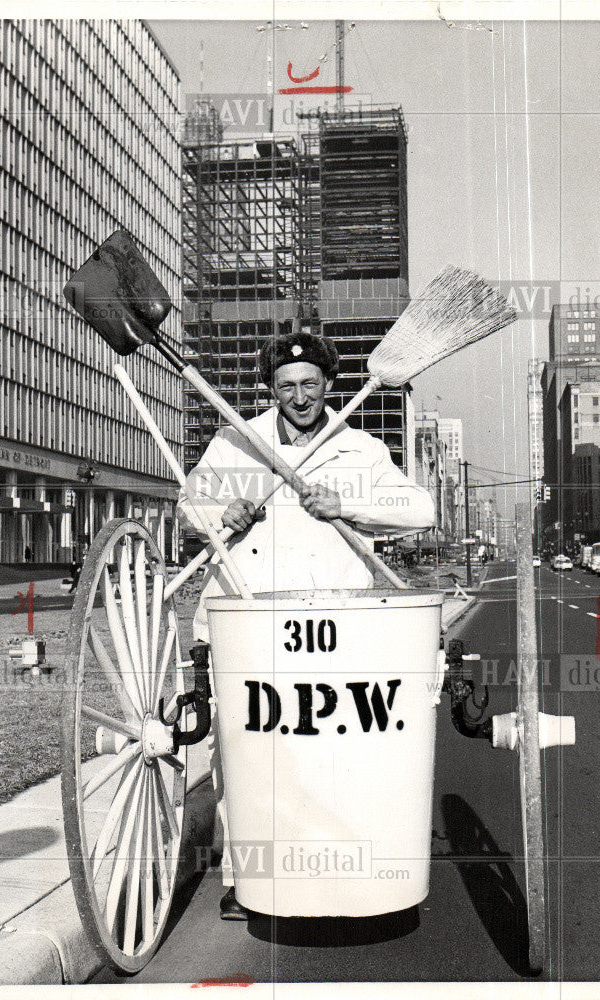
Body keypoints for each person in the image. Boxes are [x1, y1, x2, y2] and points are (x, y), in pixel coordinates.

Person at [177, 331, 435, 919]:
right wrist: (224, 512)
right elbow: (188, 506)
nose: (299, 397)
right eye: (287, 386)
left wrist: (346, 505)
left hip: (334, 624)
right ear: (271, 390)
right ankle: (244, 878)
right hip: (246, 617)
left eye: (310, 384)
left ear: (328, 385)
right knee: (241, 747)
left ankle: (343, 867)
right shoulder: (234, 441)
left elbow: (420, 509)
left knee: (333, 748)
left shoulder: (361, 449)